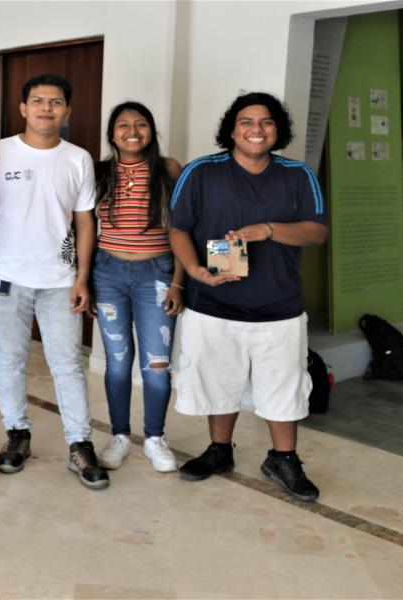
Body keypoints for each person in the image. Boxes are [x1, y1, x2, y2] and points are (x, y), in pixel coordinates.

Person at [168, 92, 328, 501]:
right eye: (247, 122)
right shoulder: (202, 171)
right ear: (232, 129)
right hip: (214, 305)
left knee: (284, 388)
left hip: (279, 307)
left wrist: (270, 230)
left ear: (278, 130)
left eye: (266, 122)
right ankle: (219, 450)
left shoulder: (297, 174)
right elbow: (178, 228)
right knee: (219, 381)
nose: (256, 130)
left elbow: (317, 231)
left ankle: (283, 459)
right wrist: (195, 272)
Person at [0, 74, 108, 490]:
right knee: (9, 360)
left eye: (55, 102)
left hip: (60, 280)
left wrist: (82, 277)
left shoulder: (78, 159)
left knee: (67, 363)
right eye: (38, 101)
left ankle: (80, 442)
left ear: (67, 111)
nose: (46, 108)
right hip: (6, 276)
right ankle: (17, 433)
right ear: (23, 108)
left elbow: (85, 221)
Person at [91, 101, 184, 472]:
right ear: (112, 134)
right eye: (123, 125)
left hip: (157, 275)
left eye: (141, 124)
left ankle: (155, 438)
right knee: (116, 362)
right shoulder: (99, 172)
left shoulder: (168, 168)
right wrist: (84, 279)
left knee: (157, 365)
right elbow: (83, 226)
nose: (132, 131)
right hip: (108, 273)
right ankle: (119, 436)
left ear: (151, 131)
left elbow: (184, 227)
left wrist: (178, 282)